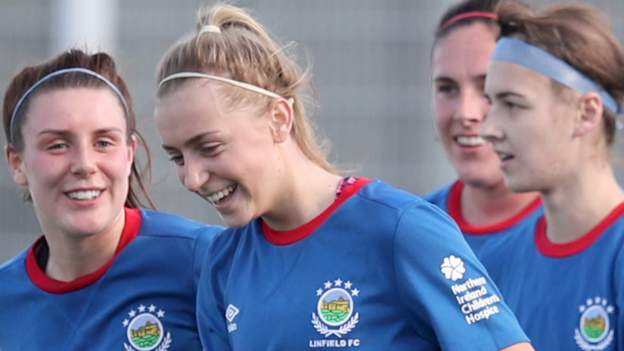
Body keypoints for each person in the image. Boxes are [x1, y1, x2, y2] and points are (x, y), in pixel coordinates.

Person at [153, 3, 534, 350]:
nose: (192, 177)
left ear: (278, 119)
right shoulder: (223, 264)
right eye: (177, 157)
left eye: (210, 147)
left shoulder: (401, 230)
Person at [0, 49, 222, 350]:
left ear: (129, 153)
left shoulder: (209, 262)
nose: (85, 164)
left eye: (103, 142)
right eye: (57, 145)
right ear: (16, 163)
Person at [481, 2, 624, 349]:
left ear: (586, 113)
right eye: (491, 103)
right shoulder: (494, 262)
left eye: (513, 104)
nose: (488, 128)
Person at [426, 0, 541, 272]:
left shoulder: (595, 235)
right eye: (447, 88)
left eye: (488, 87)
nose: (466, 113)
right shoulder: (411, 230)